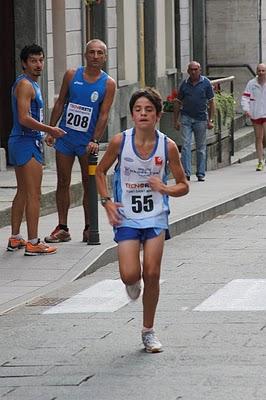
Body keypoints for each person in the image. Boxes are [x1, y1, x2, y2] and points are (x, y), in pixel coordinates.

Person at [96, 88, 189, 353]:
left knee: (153, 272)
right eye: (138, 110)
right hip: (126, 216)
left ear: (158, 115)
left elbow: (184, 185)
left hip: (156, 216)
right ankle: (132, 280)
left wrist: (165, 188)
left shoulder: (167, 145)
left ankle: (148, 331)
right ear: (133, 115)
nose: (143, 114)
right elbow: (100, 171)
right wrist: (106, 201)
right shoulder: (119, 142)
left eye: (149, 110)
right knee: (130, 275)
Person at [44, 39, 116, 244]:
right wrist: (51, 129)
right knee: (63, 182)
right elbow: (60, 102)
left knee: (88, 183)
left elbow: (103, 114)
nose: (95, 56)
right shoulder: (71, 74)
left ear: (104, 57)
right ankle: (63, 227)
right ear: (85, 55)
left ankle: (89, 227)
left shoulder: (108, 83)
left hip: (87, 143)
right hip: (65, 138)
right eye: (91, 52)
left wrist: (95, 139)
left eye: (99, 53)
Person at [7, 44, 65, 255]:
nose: (38, 64)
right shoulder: (25, 85)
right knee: (34, 195)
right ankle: (33, 242)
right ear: (24, 63)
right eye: (33, 60)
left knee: (22, 191)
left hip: (25, 140)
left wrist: (43, 134)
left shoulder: (30, 84)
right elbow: (24, 118)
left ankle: (15, 238)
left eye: (40, 60)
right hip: (25, 141)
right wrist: (50, 129)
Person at [173, 61, 215, 181]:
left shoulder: (205, 83)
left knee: (201, 147)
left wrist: (210, 120)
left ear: (200, 70)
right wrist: (176, 120)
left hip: (201, 119)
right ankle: (186, 172)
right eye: (191, 69)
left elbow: (212, 102)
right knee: (186, 145)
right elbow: (177, 102)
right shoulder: (184, 84)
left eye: (196, 69)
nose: (193, 72)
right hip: (186, 117)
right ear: (188, 71)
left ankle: (200, 173)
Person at [241, 63, 266, 171]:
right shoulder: (251, 83)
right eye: (259, 71)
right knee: (258, 137)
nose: (261, 73)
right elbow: (245, 97)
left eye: (263, 71)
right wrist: (246, 109)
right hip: (255, 113)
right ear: (256, 72)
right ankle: (260, 161)